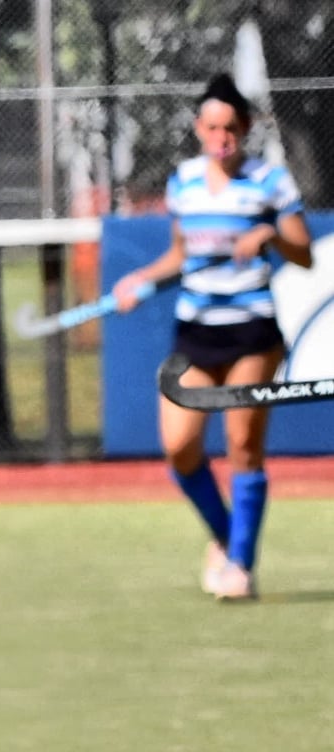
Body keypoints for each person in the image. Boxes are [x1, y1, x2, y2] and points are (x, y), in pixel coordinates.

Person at [114, 73, 312, 602]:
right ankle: (228, 540)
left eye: (231, 128)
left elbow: (304, 252)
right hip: (196, 337)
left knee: (244, 445)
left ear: (244, 130)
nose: (221, 137)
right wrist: (142, 280)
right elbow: (180, 256)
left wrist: (269, 232)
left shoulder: (270, 182)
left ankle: (240, 568)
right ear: (199, 129)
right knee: (180, 449)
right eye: (212, 127)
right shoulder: (184, 182)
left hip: (252, 335)